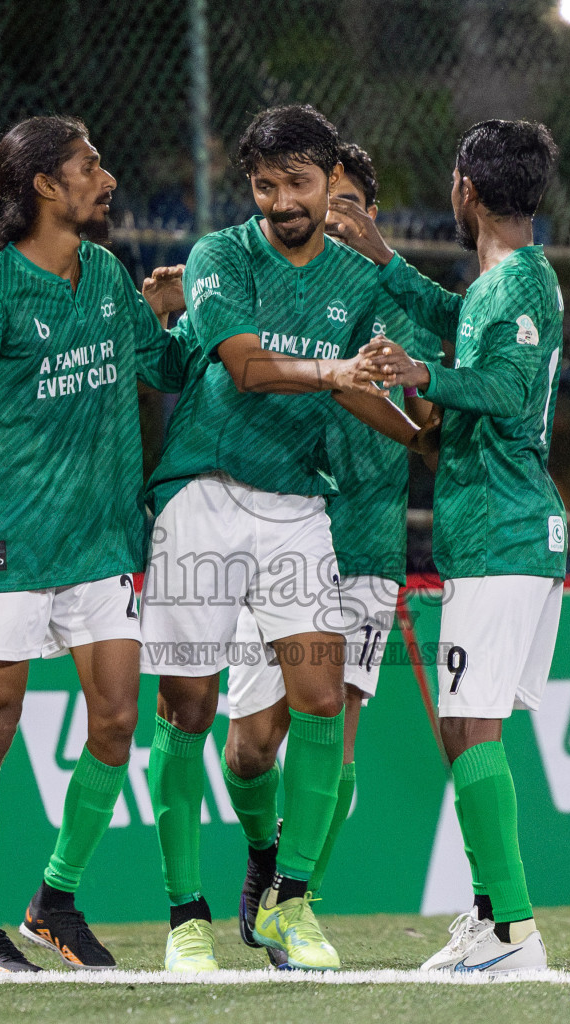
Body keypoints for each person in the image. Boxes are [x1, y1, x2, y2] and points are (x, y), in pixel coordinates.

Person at [139, 104, 431, 974]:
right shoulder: (220, 256)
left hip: (300, 505)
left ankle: (293, 904)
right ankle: (185, 918)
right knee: (189, 711)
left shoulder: (357, 280)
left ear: (327, 177)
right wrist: (337, 370)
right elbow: (247, 366)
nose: (282, 202)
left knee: (319, 697)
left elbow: (354, 388)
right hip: (201, 497)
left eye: (298, 183)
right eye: (265, 185)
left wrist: (422, 439)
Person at [0, 115, 186, 975]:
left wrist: (183, 315)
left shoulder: (107, 275)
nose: (106, 178)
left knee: (115, 723)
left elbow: (165, 368)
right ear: (44, 187)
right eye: (89, 166)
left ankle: (55, 902)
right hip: (6, 547)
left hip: (102, 545)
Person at [329, 118, 566, 974]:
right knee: (471, 731)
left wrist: (420, 374)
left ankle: (511, 932)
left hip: (503, 530)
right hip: (501, 530)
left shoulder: (523, 285)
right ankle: (492, 919)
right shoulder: (504, 285)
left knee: (469, 728)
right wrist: (382, 258)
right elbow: (455, 318)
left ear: (465, 187)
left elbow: (502, 387)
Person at [219, 142, 444, 968]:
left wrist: (429, 403)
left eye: (349, 202)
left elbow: (435, 420)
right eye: (325, 198)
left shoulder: (398, 298)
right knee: (251, 743)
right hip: (276, 523)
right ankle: (261, 854)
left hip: (368, 533)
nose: (332, 215)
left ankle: (295, 900)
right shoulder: (272, 277)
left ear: (370, 214)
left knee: (336, 722)